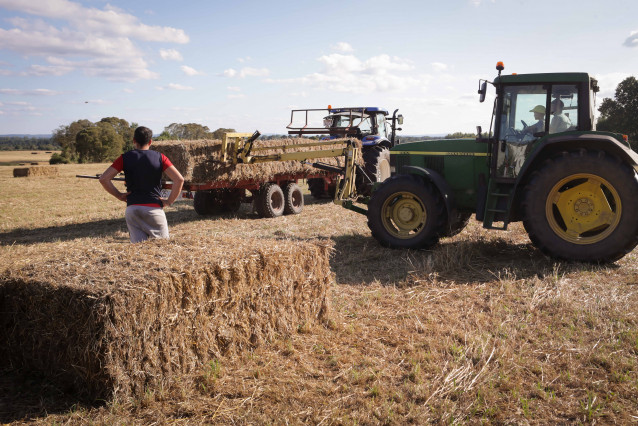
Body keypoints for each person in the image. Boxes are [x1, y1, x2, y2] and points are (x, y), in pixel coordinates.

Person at [99, 126, 184, 243]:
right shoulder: (160, 157)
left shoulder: (124, 158)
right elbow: (179, 179)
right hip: (154, 210)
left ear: (134, 141)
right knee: (162, 248)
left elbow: (104, 178)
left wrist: (119, 195)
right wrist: (169, 201)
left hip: (132, 209)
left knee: (138, 251)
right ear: (150, 142)